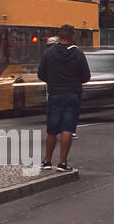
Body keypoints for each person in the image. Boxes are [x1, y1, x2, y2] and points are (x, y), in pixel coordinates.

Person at [37, 23, 91, 173]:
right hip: (72, 95)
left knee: (52, 130)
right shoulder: (78, 54)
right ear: (72, 36)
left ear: (59, 37)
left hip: (54, 94)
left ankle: (47, 161)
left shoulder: (49, 53)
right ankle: (62, 163)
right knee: (68, 128)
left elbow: (41, 74)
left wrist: (53, 81)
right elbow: (86, 77)